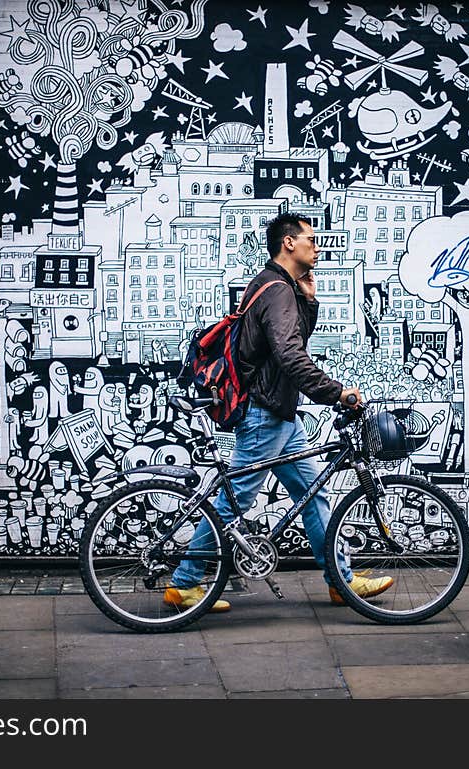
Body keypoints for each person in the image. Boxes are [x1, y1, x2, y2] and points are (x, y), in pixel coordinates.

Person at [164, 213, 393, 613]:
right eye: (310, 238)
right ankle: (184, 584)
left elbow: (291, 341)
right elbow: (291, 355)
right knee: (233, 501)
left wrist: (309, 297)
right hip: (265, 413)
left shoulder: (278, 287)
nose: (316, 246)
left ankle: (340, 580)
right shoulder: (275, 290)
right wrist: (337, 393)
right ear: (288, 243)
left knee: (312, 491)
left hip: (280, 414)